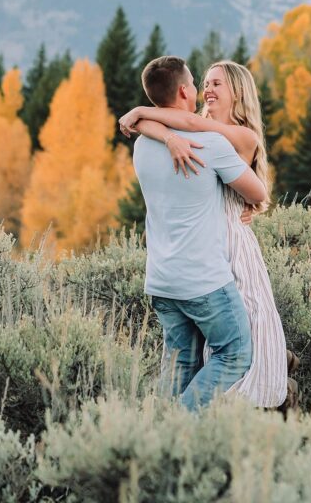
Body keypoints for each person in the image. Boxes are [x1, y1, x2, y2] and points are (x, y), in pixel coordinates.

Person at [121, 58, 296, 410]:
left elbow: (177, 121)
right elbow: (170, 123)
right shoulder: (200, 135)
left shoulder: (233, 137)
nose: (208, 89)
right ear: (186, 90)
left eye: (217, 83)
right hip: (203, 259)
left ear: (238, 93)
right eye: (205, 82)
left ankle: (224, 415)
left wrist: (142, 112)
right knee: (214, 354)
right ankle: (187, 424)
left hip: (225, 245)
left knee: (230, 345)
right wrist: (168, 136)